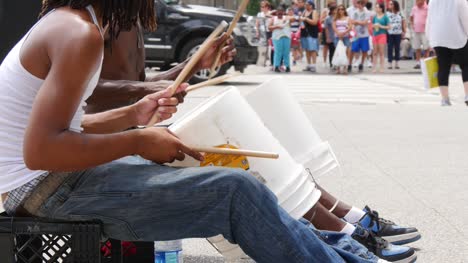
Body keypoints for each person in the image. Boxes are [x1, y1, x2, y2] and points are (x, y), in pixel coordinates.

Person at [0, 1, 390, 262]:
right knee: (236, 191)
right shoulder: (78, 34)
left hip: (47, 181)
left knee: (235, 174)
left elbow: (68, 127)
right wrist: (138, 139)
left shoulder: (69, 23)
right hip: (45, 188)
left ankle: (341, 249)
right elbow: (42, 151)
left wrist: (135, 114)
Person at [426, 0, 468, 106]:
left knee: (443, 67)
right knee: (466, 64)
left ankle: (445, 99)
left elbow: (429, 20)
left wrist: (430, 39)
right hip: (456, 36)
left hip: (438, 37)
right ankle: (467, 94)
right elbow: (465, 19)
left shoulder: (433, 1)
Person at [349, 0, 372, 73]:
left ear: (364, 4)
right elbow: (351, 21)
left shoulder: (367, 12)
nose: (360, 4)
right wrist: (358, 23)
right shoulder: (354, 12)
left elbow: (365, 22)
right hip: (356, 34)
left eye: (362, 3)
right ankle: (349, 64)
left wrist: (357, 22)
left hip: (364, 34)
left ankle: (361, 63)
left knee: (364, 50)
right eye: (358, 3)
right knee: (353, 49)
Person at [269, 6, 292, 73]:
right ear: (276, 13)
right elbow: (269, 27)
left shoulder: (286, 18)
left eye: (281, 13)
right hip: (277, 37)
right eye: (278, 13)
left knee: (286, 53)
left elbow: (293, 18)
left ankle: (287, 66)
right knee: (278, 52)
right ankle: (276, 66)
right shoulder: (273, 19)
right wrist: (277, 26)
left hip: (286, 36)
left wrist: (287, 18)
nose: (280, 15)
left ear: (283, 13)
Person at [300, 0, 320, 72]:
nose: (305, 5)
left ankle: (314, 65)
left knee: (313, 49)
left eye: (307, 4)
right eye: (305, 4)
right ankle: (308, 65)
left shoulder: (314, 12)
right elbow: (301, 21)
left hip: (312, 33)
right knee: (307, 49)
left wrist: (306, 19)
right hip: (304, 33)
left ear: (311, 6)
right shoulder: (304, 12)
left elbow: (315, 22)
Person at [387, 0, 407, 70]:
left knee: (397, 48)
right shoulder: (387, 14)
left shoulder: (400, 13)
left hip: (398, 33)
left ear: (395, 5)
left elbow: (403, 22)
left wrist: (404, 31)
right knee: (390, 48)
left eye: (391, 4)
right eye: (389, 4)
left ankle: (397, 62)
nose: (390, 5)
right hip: (390, 33)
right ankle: (389, 62)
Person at [410, 0, 429, 69]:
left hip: (425, 31)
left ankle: (425, 62)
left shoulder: (427, 8)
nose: (416, 2)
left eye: (418, 1)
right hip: (416, 31)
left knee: (426, 47)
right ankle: (418, 63)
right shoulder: (414, 8)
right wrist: (412, 25)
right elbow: (411, 17)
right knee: (417, 47)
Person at [333, 4, 352, 74]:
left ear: (344, 10)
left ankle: (345, 67)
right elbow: (334, 26)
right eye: (339, 9)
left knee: (347, 52)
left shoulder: (348, 18)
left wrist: (344, 32)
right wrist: (338, 33)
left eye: (342, 9)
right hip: (337, 36)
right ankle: (338, 68)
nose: (341, 10)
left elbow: (350, 27)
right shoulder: (335, 18)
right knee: (338, 51)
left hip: (346, 36)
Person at [372, 3, 390, 73]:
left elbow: (389, 27)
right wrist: (373, 26)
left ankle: (382, 67)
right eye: (376, 7)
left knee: (381, 52)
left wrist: (381, 26)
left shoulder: (385, 17)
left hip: (382, 35)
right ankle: (374, 67)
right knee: (375, 52)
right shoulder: (375, 17)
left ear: (381, 9)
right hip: (375, 35)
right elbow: (372, 25)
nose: (376, 9)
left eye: (377, 7)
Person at [321, 0, 337, 66]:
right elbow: (321, 20)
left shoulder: (337, 11)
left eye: (334, 2)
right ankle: (324, 61)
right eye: (332, 2)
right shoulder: (325, 10)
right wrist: (327, 17)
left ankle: (334, 61)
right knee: (326, 46)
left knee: (334, 48)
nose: (333, 3)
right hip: (327, 30)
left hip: (334, 33)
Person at [324, 5, 337, 70]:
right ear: (331, 11)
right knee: (331, 51)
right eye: (335, 9)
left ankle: (337, 63)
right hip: (331, 36)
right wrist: (327, 37)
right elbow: (326, 28)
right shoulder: (328, 18)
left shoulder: (338, 17)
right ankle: (331, 63)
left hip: (338, 36)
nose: (336, 11)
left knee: (337, 51)